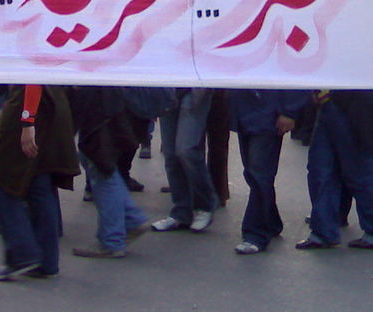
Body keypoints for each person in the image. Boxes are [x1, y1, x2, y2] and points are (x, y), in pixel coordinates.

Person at [0, 85, 79, 281]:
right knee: (39, 180)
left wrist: (27, 120)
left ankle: (22, 253)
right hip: (53, 101)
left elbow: (33, 76)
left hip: (31, 104)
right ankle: (46, 261)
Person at [296, 89, 373, 251]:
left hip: (350, 102)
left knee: (357, 171)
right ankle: (325, 231)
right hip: (336, 100)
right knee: (322, 169)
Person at [69, 86, 150, 259]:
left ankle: (112, 240)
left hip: (100, 109)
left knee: (101, 170)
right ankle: (131, 219)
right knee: (102, 167)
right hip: (110, 107)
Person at [228, 88, 309, 254]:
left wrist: (290, 112)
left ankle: (255, 233)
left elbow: (297, 78)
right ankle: (271, 222)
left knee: (260, 175)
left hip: (267, 113)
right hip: (245, 111)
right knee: (253, 174)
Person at [151, 88, 218, 233]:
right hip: (168, 88)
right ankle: (181, 210)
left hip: (194, 87)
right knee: (170, 154)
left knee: (186, 149)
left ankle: (205, 205)